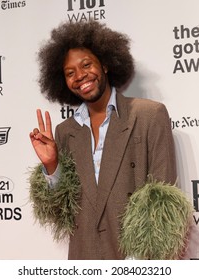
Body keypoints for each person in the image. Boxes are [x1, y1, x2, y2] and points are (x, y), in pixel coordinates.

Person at [29, 20, 177, 260]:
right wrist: (51, 166)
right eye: (70, 73)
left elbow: (164, 203)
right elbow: (61, 213)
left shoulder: (149, 114)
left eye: (86, 64)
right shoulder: (65, 131)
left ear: (106, 64)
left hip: (134, 259)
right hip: (83, 257)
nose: (80, 76)